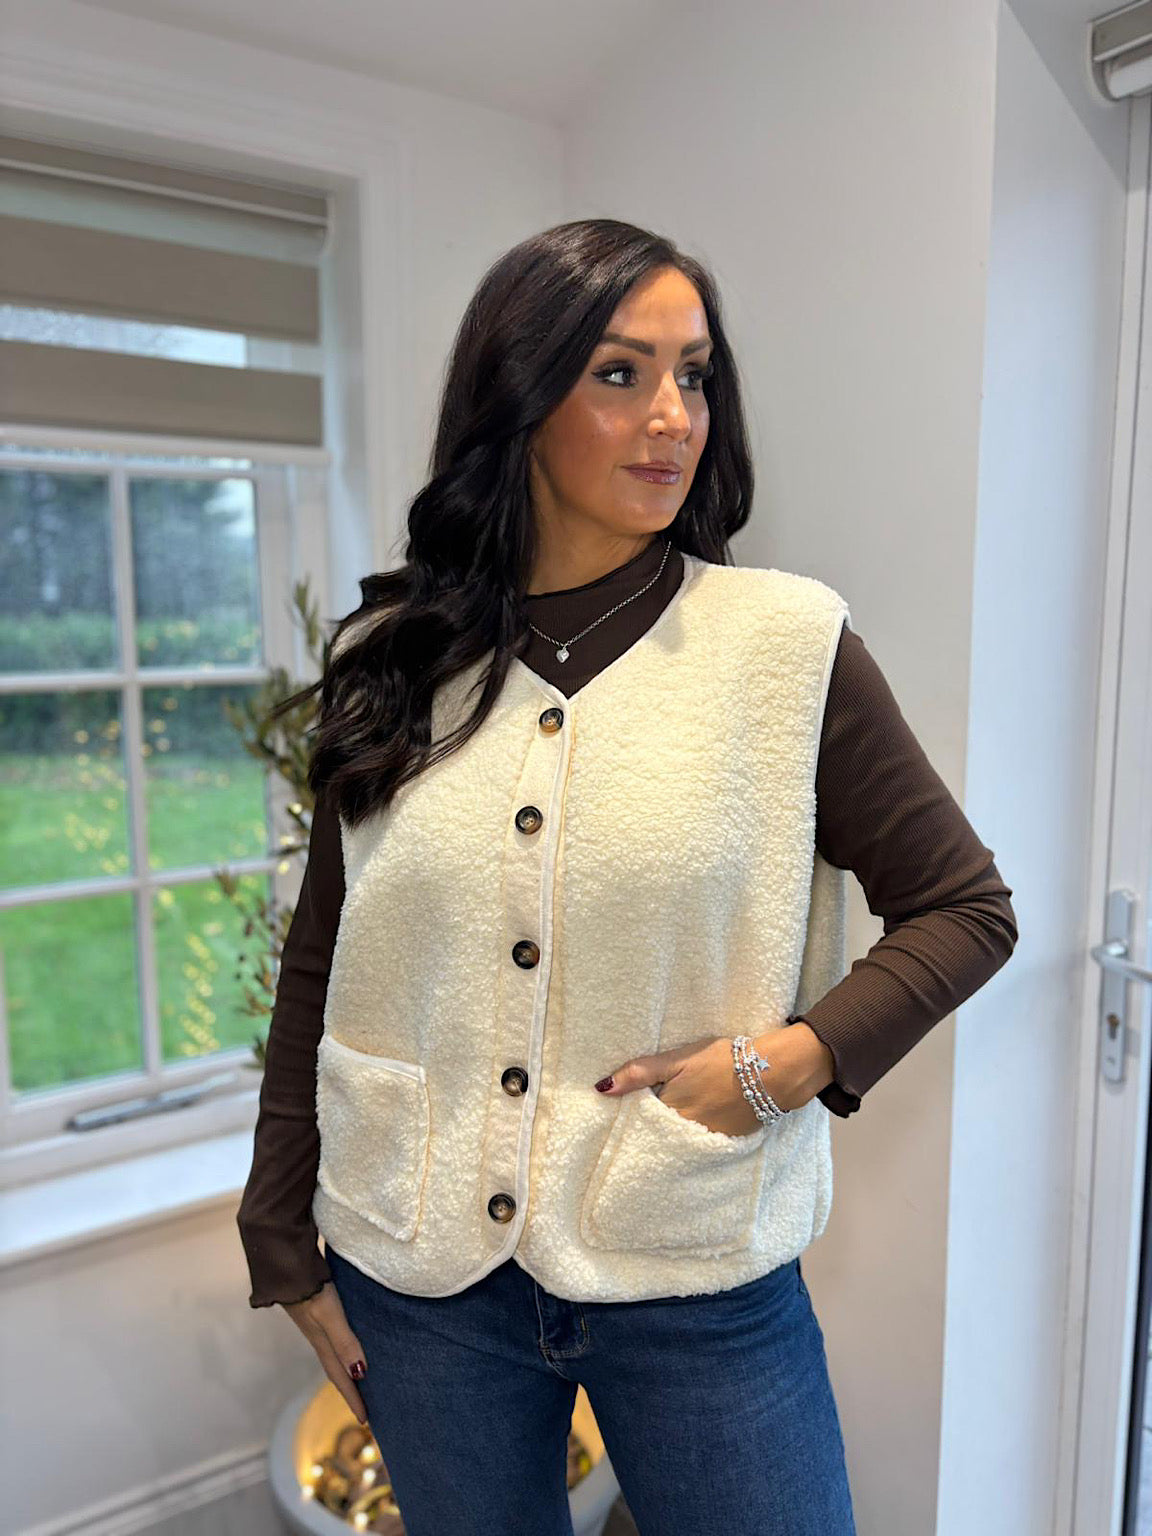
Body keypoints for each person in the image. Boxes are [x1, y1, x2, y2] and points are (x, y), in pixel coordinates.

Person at [237, 217, 1018, 1536]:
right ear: (520, 398)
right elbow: (325, 955)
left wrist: (784, 1064)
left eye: (694, 376)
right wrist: (278, 1234)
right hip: (418, 1276)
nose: (673, 417)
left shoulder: (786, 649)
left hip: (694, 1265)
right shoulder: (396, 660)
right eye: (620, 373)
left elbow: (965, 909)